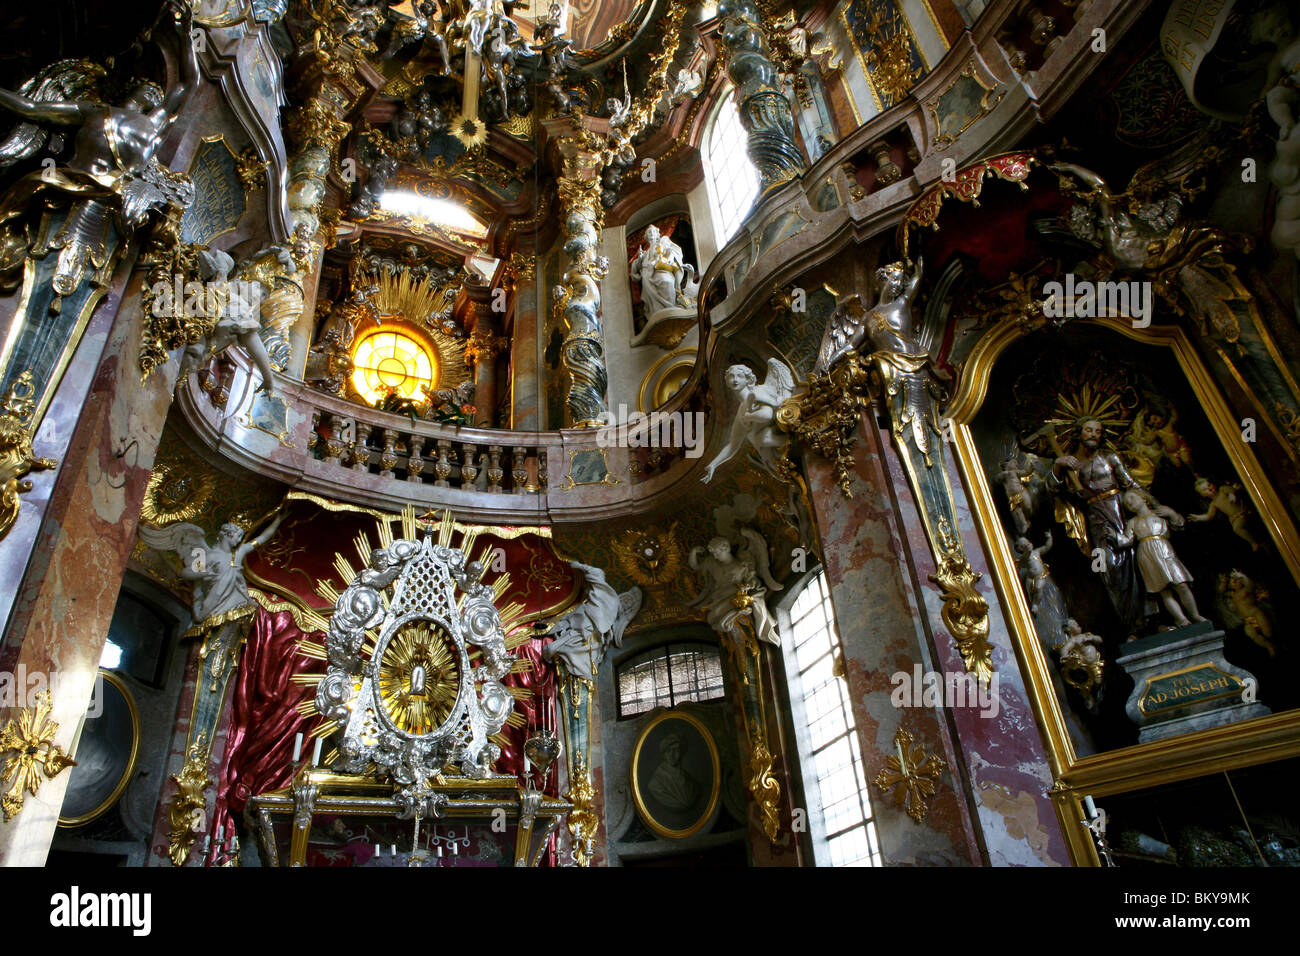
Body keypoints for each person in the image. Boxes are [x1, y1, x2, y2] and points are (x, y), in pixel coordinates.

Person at [1048, 417, 1143, 634]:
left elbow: (1132, 485)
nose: (1093, 435)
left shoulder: (1110, 458)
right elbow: (1051, 491)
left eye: (1098, 431)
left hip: (1121, 513)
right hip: (1096, 522)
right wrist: (1057, 466)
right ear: (1079, 433)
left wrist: (1157, 509)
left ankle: (1149, 623)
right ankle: (1131, 627)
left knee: (1139, 562)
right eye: (1089, 430)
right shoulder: (1070, 464)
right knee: (1107, 568)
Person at [1116, 489, 1206, 629]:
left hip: (1164, 549)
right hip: (1146, 554)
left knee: (1181, 584)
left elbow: (1179, 524)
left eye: (1132, 498)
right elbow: (1127, 540)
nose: (1130, 502)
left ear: (1144, 498)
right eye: (1127, 503)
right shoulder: (1133, 522)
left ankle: (1194, 614)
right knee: (1164, 590)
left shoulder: (1160, 514)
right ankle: (1181, 619)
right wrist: (1113, 535)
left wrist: (1171, 514)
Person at [648, 732, 700, 812]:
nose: (672, 755)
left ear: (682, 753)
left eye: (676, 750)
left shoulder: (691, 782)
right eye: (668, 751)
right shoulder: (655, 784)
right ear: (664, 755)